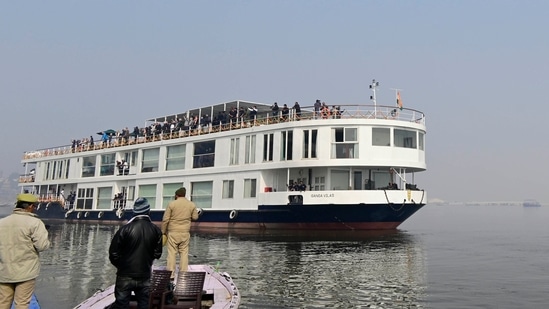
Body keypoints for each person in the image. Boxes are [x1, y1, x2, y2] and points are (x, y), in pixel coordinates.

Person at [108, 198, 163, 309]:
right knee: (144, 304)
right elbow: (157, 254)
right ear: (148, 211)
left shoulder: (124, 229)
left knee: (121, 305)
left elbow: (113, 253)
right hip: (144, 274)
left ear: (134, 211)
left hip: (125, 275)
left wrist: (123, 266)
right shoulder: (156, 230)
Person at [0, 193, 50, 309]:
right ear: (30, 206)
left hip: (4, 271)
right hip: (25, 272)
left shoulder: (2, 222)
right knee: (22, 303)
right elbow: (42, 246)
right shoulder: (35, 223)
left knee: (3, 303)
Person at [161, 187, 199, 280]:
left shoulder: (171, 204)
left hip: (173, 232)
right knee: (184, 253)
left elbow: (165, 220)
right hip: (185, 233)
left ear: (176, 195)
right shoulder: (191, 205)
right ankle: (183, 274)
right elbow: (195, 217)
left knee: (171, 253)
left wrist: (163, 232)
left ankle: (171, 275)